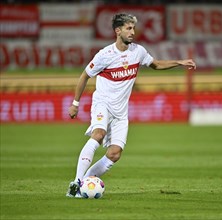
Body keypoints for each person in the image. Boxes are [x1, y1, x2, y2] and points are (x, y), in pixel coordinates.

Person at [66, 13, 196, 198]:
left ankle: (83, 185)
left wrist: (179, 62)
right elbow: (84, 75)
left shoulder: (138, 52)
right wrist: (75, 103)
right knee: (98, 134)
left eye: (133, 28)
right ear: (118, 31)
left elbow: (156, 64)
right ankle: (77, 181)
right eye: (128, 28)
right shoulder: (105, 55)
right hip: (103, 103)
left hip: (121, 112)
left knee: (114, 154)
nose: (133, 32)